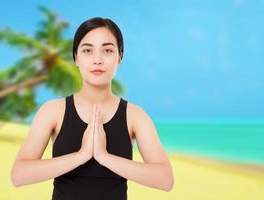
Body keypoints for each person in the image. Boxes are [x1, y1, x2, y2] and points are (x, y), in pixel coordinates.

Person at [10, 17, 174, 200]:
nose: (97, 60)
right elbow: (19, 175)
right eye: (87, 50)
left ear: (119, 57)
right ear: (76, 58)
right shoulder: (53, 111)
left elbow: (165, 179)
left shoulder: (135, 116)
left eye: (107, 50)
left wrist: (104, 157)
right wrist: (81, 155)